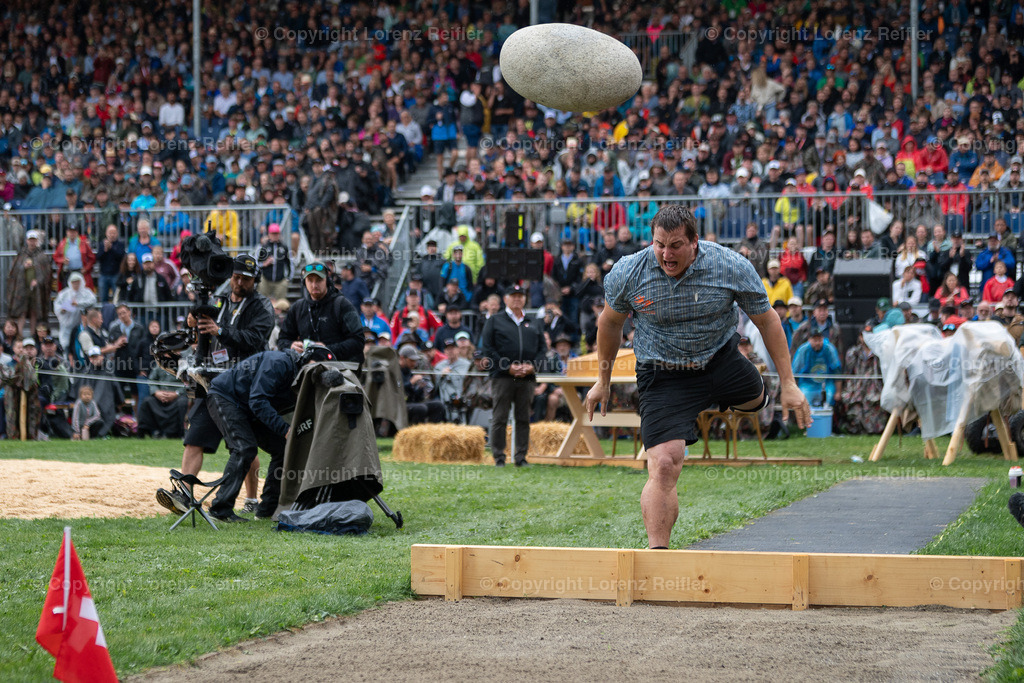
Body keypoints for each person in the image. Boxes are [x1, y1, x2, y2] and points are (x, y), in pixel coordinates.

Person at [585, 205, 810, 549]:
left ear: (695, 242)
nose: (666, 254)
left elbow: (767, 321)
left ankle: (730, 397)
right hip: (664, 374)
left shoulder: (730, 265)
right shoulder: (629, 271)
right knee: (662, 464)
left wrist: (789, 384)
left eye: (675, 245)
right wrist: (603, 380)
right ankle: (657, 556)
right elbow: (610, 323)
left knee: (755, 400)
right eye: (659, 244)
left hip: (720, 360)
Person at [157, 255, 276, 515]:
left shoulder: (261, 305)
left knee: (244, 444)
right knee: (194, 439)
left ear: (255, 280)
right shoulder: (219, 303)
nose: (240, 282)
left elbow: (255, 340)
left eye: (246, 278)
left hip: (244, 382)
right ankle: (184, 496)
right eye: (236, 277)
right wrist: (194, 325)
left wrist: (219, 330)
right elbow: (205, 336)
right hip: (211, 381)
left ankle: (251, 499)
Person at [204, 344, 335, 522]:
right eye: (314, 367)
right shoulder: (278, 362)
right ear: (304, 362)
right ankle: (220, 509)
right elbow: (258, 400)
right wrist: (285, 429)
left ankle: (267, 510)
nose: (315, 375)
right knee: (244, 448)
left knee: (283, 449)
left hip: (249, 407)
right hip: (226, 397)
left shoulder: (305, 380)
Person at [479, 283, 549, 467]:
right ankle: (499, 457)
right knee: (500, 416)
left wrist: (533, 366)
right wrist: (506, 367)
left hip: (526, 377)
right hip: (502, 377)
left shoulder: (534, 322)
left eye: (520, 295)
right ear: (505, 299)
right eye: (513, 295)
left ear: (525, 298)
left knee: (524, 417)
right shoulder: (495, 320)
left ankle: (521, 457)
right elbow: (488, 348)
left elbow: (543, 349)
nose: (517, 298)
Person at [276, 261, 365, 363]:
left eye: (319, 280)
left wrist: (327, 350)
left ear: (327, 281)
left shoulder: (342, 305)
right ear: (304, 282)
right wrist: (291, 345)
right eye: (310, 280)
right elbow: (282, 340)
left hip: (339, 366)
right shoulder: (297, 308)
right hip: (307, 367)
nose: (314, 285)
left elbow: (358, 341)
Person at [6, 230, 50, 335]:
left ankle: (32, 334)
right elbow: (13, 272)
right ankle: (19, 335)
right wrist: (23, 268)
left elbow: (46, 273)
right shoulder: (21, 255)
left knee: (34, 312)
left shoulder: (41, 256)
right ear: (27, 241)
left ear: (37, 241)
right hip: (22, 289)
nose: (32, 242)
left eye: (34, 240)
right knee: (22, 312)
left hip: (36, 290)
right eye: (30, 240)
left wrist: (38, 280)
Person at [792, 329, 842, 407]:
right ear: (809, 340)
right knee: (804, 397)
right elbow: (795, 372)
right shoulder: (803, 350)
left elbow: (837, 370)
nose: (817, 343)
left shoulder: (830, 349)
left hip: (826, 383)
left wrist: (838, 392)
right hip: (808, 384)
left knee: (829, 395)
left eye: (819, 340)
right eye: (815, 340)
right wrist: (794, 392)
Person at [397, 344, 445, 424]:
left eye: (415, 361)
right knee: (421, 408)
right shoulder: (396, 371)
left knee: (438, 405)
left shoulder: (409, 371)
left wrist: (420, 388)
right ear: (402, 358)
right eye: (411, 360)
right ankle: (415, 434)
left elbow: (415, 397)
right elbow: (396, 391)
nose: (414, 363)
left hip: (411, 403)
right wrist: (410, 383)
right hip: (399, 405)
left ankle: (431, 433)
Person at [259, 223, 292, 301]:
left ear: (279, 234)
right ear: (269, 234)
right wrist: (265, 263)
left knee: (280, 303)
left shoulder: (284, 247)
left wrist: (288, 278)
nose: (275, 236)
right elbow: (257, 263)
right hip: (266, 279)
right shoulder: (264, 247)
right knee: (262, 301)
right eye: (273, 234)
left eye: (276, 234)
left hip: (280, 280)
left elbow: (289, 263)